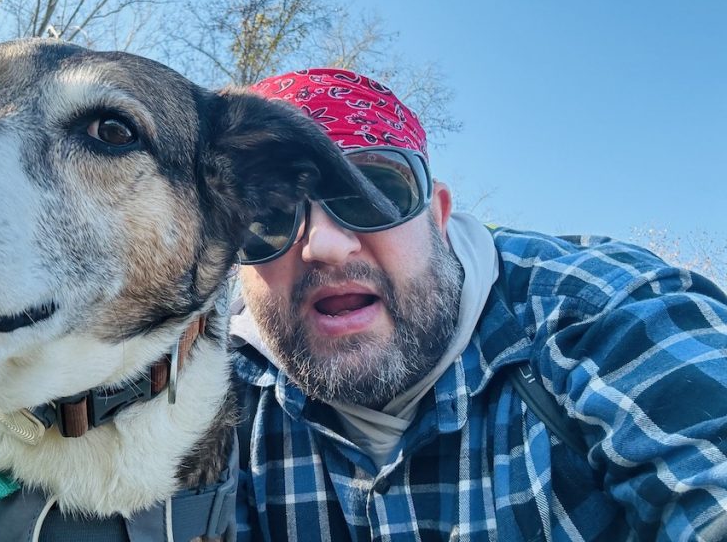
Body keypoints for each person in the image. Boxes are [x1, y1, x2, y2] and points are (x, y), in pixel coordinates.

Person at [230, 68, 727, 541]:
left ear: (439, 216)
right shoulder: (200, 386)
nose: (326, 246)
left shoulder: (600, 309)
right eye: (268, 217)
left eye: (370, 195)